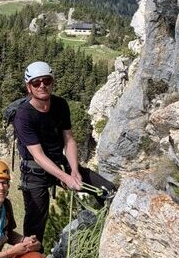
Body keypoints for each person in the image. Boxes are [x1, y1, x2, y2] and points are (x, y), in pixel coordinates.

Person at [13, 61, 116, 247]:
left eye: (46, 80)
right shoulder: (23, 116)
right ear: (29, 87)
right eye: (36, 83)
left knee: (107, 190)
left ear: (52, 82)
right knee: (35, 227)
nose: (42, 85)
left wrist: (74, 171)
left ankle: (111, 236)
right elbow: (38, 155)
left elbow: (68, 139)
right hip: (35, 171)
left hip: (60, 163)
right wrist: (65, 178)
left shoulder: (60, 105)